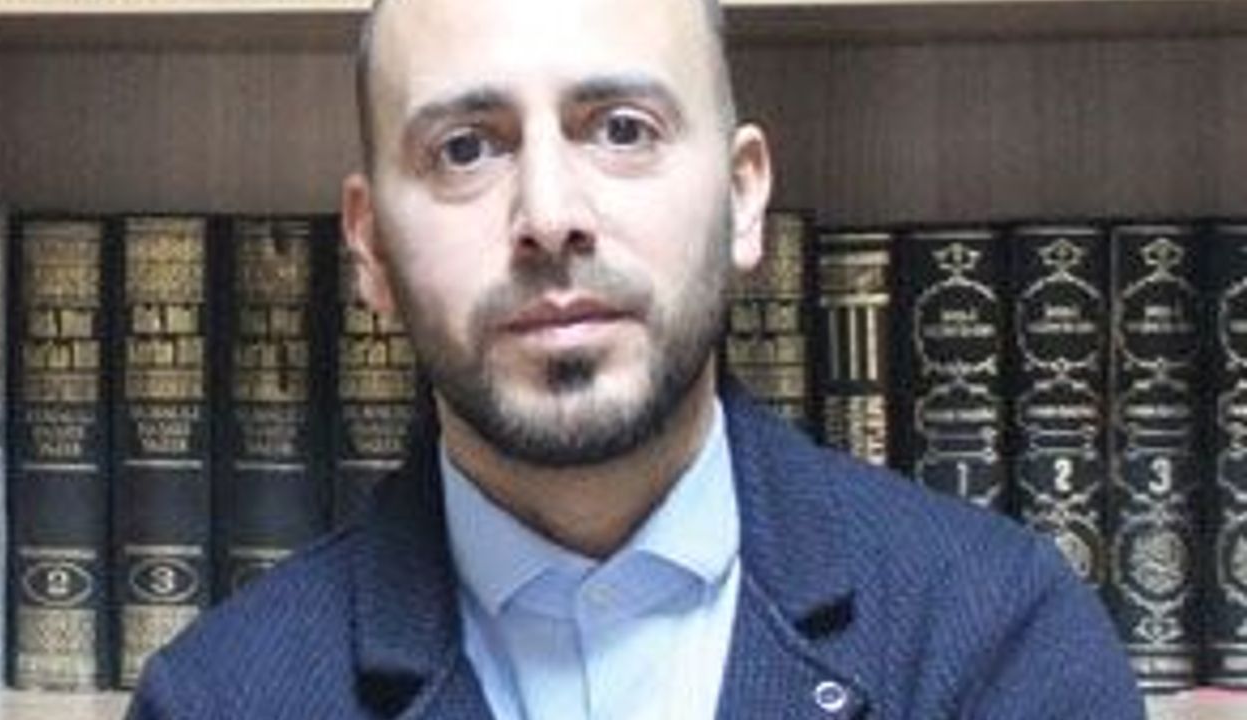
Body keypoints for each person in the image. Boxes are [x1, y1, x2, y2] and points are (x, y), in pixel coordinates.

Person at [128, 0, 1145, 717]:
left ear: (742, 198)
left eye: (622, 129)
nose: (549, 215)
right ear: (371, 250)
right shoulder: (218, 701)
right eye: (465, 148)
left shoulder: (999, 644)